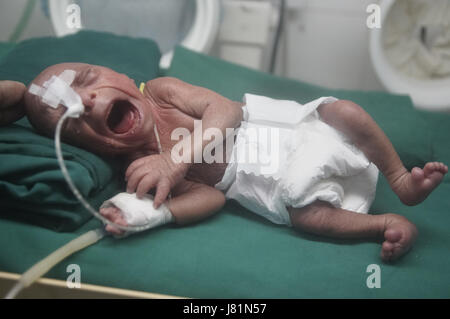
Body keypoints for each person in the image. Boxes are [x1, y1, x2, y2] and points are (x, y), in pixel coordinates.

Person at [3, 62, 448, 262]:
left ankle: (399, 179)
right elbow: (209, 200)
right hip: (278, 183)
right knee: (306, 217)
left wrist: (175, 160)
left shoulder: (158, 92)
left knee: (343, 110)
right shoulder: (138, 168)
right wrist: (156, 213)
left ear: (121, 77)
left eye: (86, 81)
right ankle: (384, 222)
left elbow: (227, 112)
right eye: (73, 119)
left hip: (294, 131)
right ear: (90, 148)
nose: (86, 101)